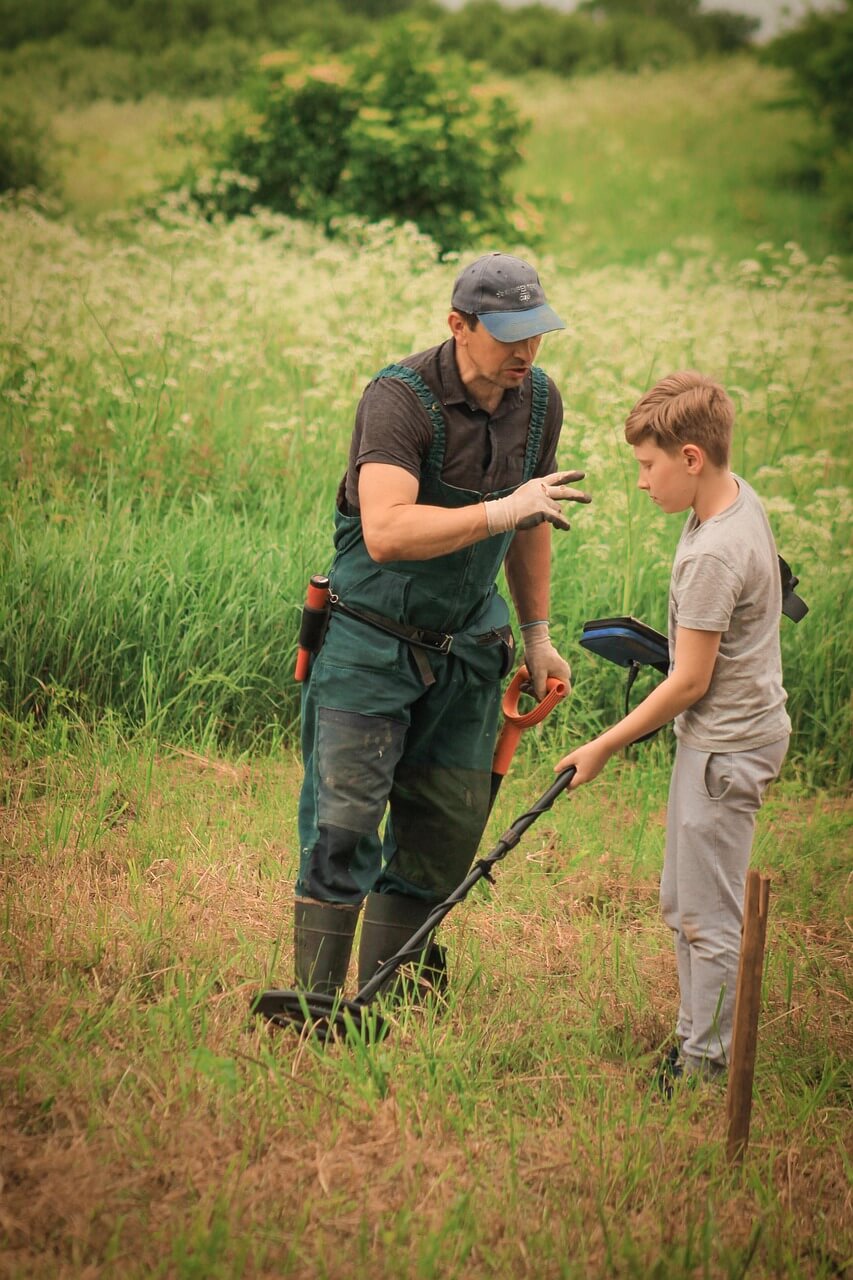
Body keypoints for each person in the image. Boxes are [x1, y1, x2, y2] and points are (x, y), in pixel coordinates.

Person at [295, 252, 591, 999]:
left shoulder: (539, 400)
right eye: (508, 334)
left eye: (537, 333)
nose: (526, 351)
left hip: (467, 649)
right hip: (369, 639)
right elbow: (388, 531)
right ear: (458, 326)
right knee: (344, 826)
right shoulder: (399, 398)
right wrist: (498, 510)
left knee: (441, 838)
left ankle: (383, 1002)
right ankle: (321, 1006)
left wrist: (536, 633)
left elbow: (534, 518)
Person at [556, 371, 791, 1087]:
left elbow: (688, 680)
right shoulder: (731, 496)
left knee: (707, 916)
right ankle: (693, 1040)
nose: (639, 482)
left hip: (725, 744)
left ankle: (704, 1068)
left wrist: (599, 746)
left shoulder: (714, 552)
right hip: (720, 733)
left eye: (646, 465)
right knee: (680, 900)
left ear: (691, 458)